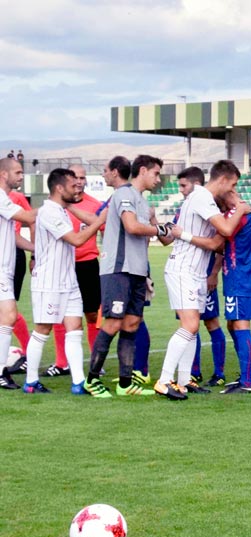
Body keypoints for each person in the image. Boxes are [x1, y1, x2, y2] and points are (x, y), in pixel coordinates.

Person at [152, 160, 249, 400]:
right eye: (233, 185)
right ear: (223, 180)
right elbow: (226, 230)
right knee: (190, 325)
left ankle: (185, 380)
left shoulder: (204, 200)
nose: (233, 190)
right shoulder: (201, 197)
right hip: (183, 269)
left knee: (192, 328)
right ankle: (164, 381)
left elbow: (216, 242)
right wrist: (240, 209)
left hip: (195, 272)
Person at [85, 155, 172, 398]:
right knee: (113, 322)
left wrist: (163, 228)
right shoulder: (123, 194)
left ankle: (125, 383)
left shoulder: (143, 202)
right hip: (118, 269)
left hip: (137, 271)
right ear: (142, 170)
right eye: (156, 173)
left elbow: (163, 239)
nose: (158, 179)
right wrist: (160, 228)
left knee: (132, 323)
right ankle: (92, 380)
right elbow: (132, 227)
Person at [21, 169, 106, 394]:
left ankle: (78, 382)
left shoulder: (61, 209)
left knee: (75, 328)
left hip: (68, 281)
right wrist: (100, 221)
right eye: (72, 185)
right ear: (59, 188)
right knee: (43, 329)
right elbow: (76, 240)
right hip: (48, 282)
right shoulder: (49, 212)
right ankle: (31, 382)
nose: (77, 188)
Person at [47, 165, 103, 378]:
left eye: (82, 177)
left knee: (92, 314)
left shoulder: (94, 204)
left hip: (87, 264)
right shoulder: (55, 206)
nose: (79, 181)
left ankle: (96, 362)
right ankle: (62, 363)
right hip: (62, 265)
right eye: (74, 178)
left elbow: (108, 230)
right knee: (59, 313)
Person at [175, 167, 228, 391]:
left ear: (196, 184)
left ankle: (219, 373)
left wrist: (213, 273)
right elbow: (169, 239)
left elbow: (220, 243)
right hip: (187, 274)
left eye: (183, 185)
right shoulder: (185, 208)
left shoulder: (210, 205)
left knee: (210, 322)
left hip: (204, 274)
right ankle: (192, 373)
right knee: (189, 324)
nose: (181, 190)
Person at [219, 176, 251, 394]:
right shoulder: (240, 213)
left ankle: (247, 381)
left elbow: (221, 236)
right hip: (239, 276)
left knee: (241, 325)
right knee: (232, 324)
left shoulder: (238, 215)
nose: (235, 194)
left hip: (240, 277)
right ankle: (248, 373)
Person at [0, 158, 35, 390]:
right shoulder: (1, 197)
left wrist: (35, 249)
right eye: (18, 172)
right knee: (9, 316)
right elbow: (29, 218)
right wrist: (58, 204)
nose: (21, 176)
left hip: (6, 268)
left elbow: (12, 236)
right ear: (4, 174)